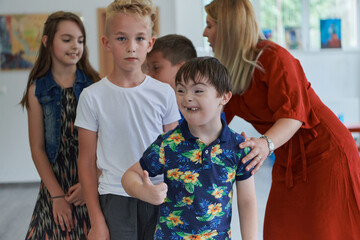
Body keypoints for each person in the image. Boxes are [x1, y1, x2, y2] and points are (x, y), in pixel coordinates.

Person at [203, 0, 360, 239]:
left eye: (209, 25)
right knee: (280, 229)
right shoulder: (230, 73)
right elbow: (214, 120)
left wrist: (264, 144)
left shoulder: (274, 57)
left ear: (227, 29)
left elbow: (293, 116)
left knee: (326, 230)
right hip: (287, 158)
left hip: (326, 154)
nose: (205, 33)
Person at [75, 0, 180, 239]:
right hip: (113, 199)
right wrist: (96, 221)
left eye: (140, 38)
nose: (131, 47)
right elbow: (86, 161)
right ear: (107, 43)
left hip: (158, 196)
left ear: (150, 43)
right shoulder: (92, 97)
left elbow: (175, 155)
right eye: (122, 38)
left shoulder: (164, 93)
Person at [122, 57, 258, 240]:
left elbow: (247, 201)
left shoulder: (238, 147)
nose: (187, 97)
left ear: (224, 97)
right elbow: (129, 176)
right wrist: (143, 192)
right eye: (180, 90)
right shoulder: (168, 144)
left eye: (198, 90)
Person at [20, 11, 100, 239]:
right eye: (67, 39)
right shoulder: (38, 90)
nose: (76, 46)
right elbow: (37, 149)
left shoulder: (95, 85)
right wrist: (56, 196)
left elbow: (107, 142)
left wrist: (90, 183)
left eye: (80, 40)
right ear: (47, 41)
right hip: (55, 186)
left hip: (91, 181)